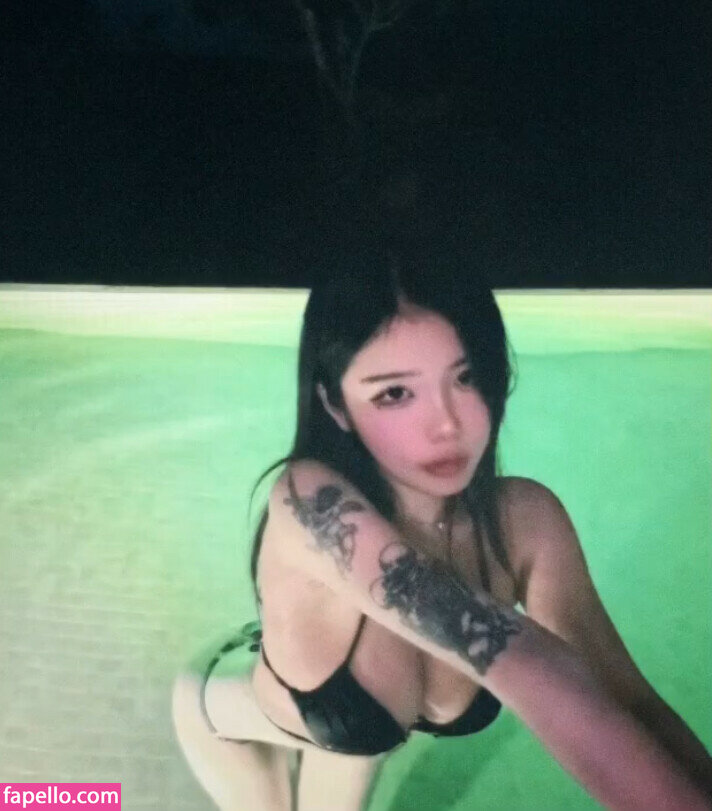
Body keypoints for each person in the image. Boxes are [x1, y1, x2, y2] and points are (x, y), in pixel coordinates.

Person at [172, 246, 712, 811]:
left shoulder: (527, 523)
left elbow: (629, 705)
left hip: (352, 719)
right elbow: (531, 668)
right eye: (394, 393)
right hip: (225, 711)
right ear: (334, 404)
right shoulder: (310, 503)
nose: (447, 424)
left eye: (467, 376)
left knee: (358, 745)